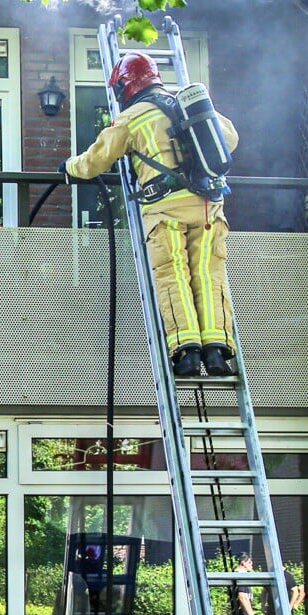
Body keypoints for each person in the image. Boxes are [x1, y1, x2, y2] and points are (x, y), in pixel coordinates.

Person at [63, 51, 241, 378]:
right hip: (208, 206)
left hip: (165, 210)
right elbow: (229, 138)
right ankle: (216, 351)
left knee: (173, 274)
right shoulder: (190, 106)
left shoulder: (134, 117)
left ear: (124, 88)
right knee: (207, 274)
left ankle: (186, 352)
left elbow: (97, 158)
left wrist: (70, 168)